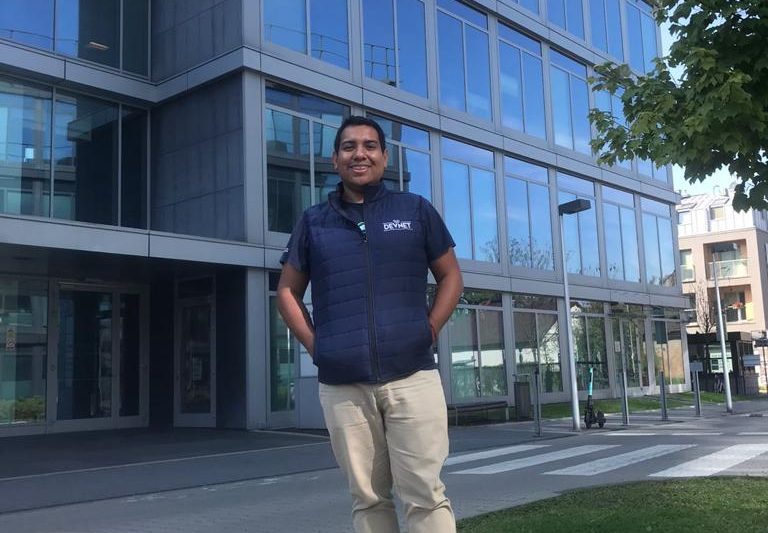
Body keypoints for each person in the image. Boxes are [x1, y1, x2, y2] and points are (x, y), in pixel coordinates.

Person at [277, 115, 463, 533]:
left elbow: (451, 276)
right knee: (368, 500)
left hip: (413, 376)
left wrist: (429, 330)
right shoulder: (313, 221)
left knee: (426, 496)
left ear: (383, 156)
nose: (359, 153)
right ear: (335, 159)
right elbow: (286, 292)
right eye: (348, 146)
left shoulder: (415, 210)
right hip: (344, 386)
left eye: (369, 145)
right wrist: (317, 347)